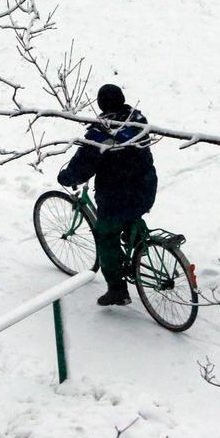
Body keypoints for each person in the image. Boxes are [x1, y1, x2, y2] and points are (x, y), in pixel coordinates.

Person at [57, 84, 157, 306]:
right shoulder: (137, 120)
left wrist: (67, 178)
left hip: (116, 197)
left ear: (101, 104)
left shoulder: (100, 132)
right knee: (131, 213)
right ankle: (137, 240)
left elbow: (84, 164)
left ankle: (117, 290)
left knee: (106, 237)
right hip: (145, 187)